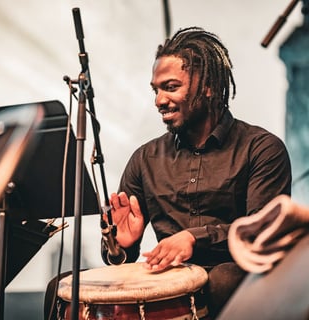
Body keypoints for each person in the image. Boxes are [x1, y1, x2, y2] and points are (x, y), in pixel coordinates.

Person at [44, 26, 292, 319]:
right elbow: (120, 259)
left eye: (171, 87)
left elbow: (262, 231)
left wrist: (194, 238)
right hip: (169, 278)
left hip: (234, 273)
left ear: (208, 86)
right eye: (156, 89)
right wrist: (119, 244)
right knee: (59, 286)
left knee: (224, 278)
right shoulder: (145, 158)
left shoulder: (261, 148)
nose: (159, 100)